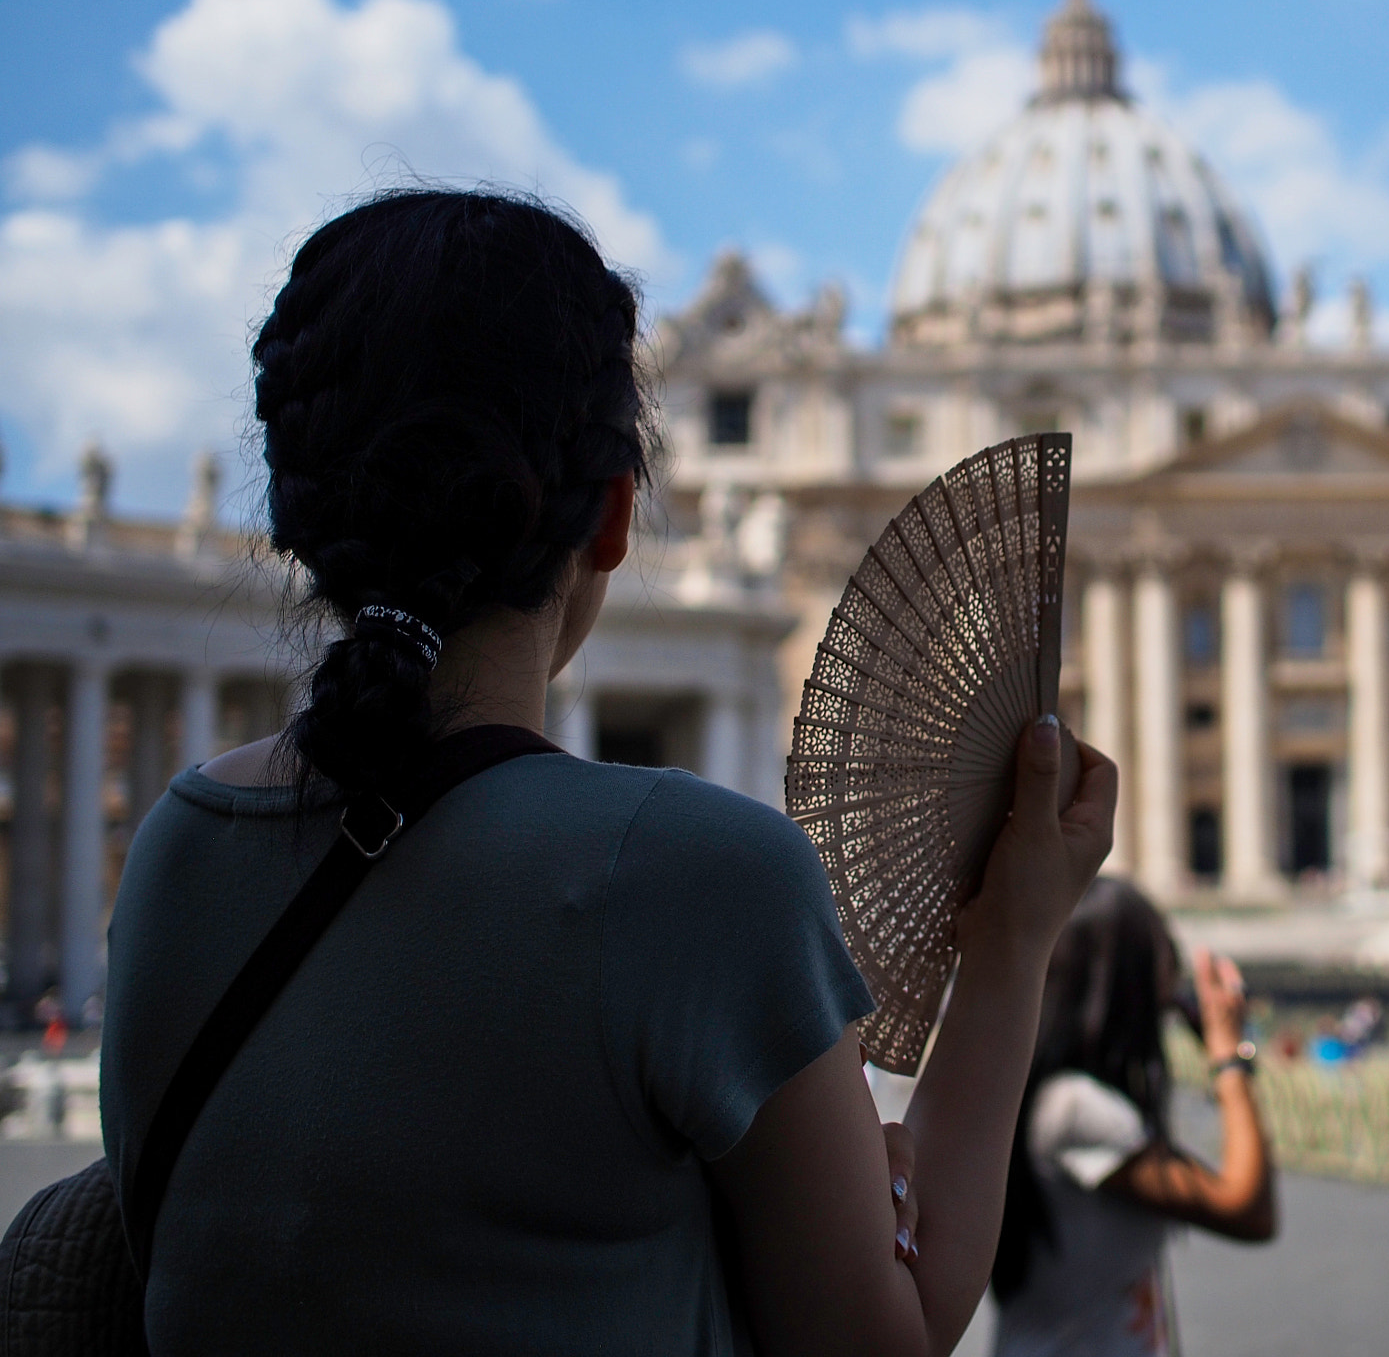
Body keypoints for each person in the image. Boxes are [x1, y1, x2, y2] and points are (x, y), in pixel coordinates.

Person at [98, 189, 1118, 1356]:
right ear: (615, 519)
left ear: (295, 517)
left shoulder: (175, 849)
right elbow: (889, 1338)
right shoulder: (700, 880)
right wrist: (1010, 943)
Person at [991, 878, 1276, 1356]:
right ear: (1130, 978)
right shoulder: (1077, 1111)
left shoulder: (1053, 1097)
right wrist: (1230, 1058)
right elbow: (1249, 1210)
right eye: (1166, 960)